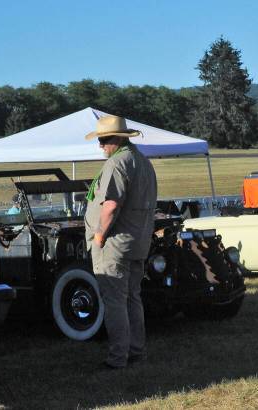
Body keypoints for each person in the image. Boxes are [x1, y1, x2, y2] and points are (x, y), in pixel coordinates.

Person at [83, 115, 158, 369]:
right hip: (137, 241)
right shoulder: (143, 162)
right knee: (132, 298)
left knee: (114, 300)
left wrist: (100, 235)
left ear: (117, 139)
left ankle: (117, 358)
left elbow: (111, 205)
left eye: (103, 139)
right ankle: (137, 351)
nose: (100, 145)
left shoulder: (117, 163)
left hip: (115, 243)